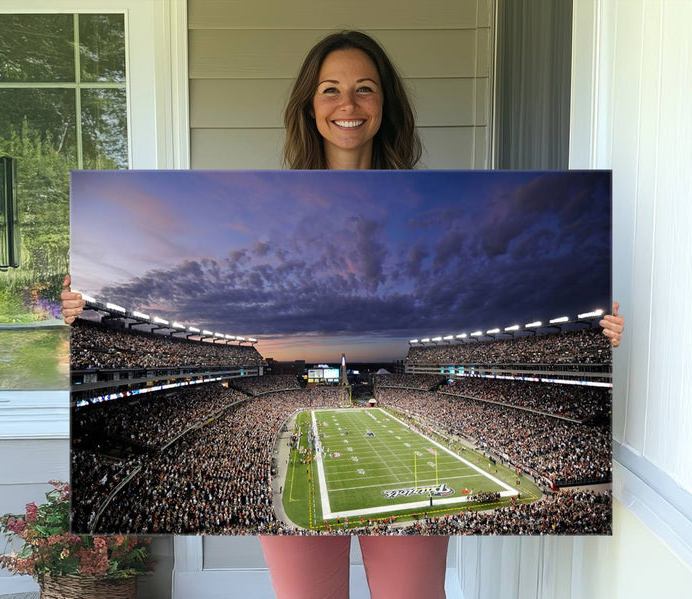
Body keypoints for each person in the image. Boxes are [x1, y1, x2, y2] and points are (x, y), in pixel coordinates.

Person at [61, 30, 625, 599]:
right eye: (330, 90)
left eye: (365, 89)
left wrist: (597, 333)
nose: (348, 105)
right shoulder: (273, 213)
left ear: (385, 105)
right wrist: (80, 317)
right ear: (310, 104)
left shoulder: (430, 202)